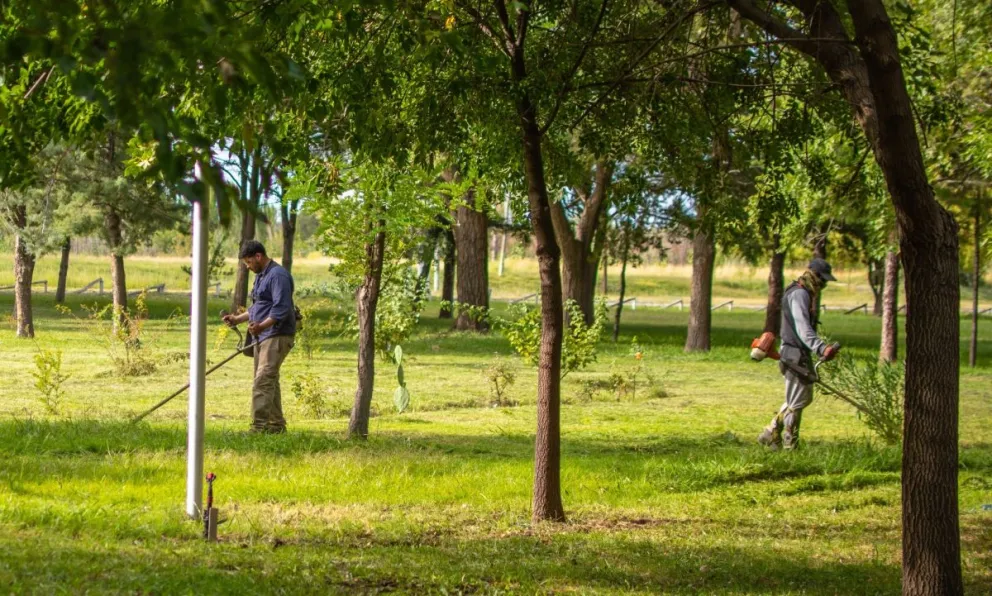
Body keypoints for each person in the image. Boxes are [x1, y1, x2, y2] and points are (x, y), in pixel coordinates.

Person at [758, 258, 841, 450]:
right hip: (794, 353)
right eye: (823, 280)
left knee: (798, 398)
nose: (824, 284)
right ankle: (785, 440)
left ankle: (771, 435)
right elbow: (803, 328)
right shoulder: (799, 294)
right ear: (815, 275)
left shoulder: (802, 291)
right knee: (797, 401)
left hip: (797, 352)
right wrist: (821, 347)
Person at [222, 240, 296, 433]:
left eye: (248, 262)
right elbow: (259, 306)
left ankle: (258, 428)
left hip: (277, 334)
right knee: (268, 380)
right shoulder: (262, 276)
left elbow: (281, 308)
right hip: (263, 335)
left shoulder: (278, 275)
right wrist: (237, 319)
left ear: (258, 256)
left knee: (262, 380)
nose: (247, 267)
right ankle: (276, 426)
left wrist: (262, 325)